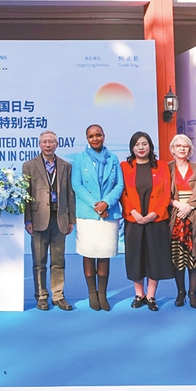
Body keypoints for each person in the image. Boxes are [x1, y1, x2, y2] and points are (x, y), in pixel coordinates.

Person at [71, 124, 123, 312]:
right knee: (89, 252)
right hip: (88, 213)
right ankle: (91, 293)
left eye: (98, 135)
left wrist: (106, 203)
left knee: (104, 253)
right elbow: (77, 185)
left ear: (104, 136)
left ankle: (102, 293)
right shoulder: (79, 159)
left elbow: (119, 185)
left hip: (109, 212)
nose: (95, 139)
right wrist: (97, 206)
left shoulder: (113, 158)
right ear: (87, 139)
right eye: (91, 136)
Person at [120, 132, 173, 311]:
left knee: (154, 257)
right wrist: (133, 212)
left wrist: (154, 213)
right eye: (137, 144)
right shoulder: (124, 167)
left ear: (150, 146)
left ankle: (151, 296)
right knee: (136, 257)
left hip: (156, 220)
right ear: (132, 148)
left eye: (144, 144)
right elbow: (122, 192)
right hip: (133, 220)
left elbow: (167, 193)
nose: (141, 147)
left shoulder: (162, 166)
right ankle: (138, 294)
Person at [23, 130, 74, 311]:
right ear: (39, 144)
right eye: (44, 142)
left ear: (57, 144)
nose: (48, 145)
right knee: (39, 261)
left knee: (58, 261)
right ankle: (41, 296)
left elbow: (70, 193)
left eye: (51, 141)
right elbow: (26, 195)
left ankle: (58, 295)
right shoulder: (29, 166)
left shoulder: (66, 166)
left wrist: (71, 219)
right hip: (38, 220)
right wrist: (27, 220)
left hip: (60, 219)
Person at [167, 133, 196, 309]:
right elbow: (163, 194)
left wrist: (190, 206)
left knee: (195, 258)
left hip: (195, 218)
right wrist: (177, 204)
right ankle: (180, 293)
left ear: (190, 149)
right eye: (178, 146)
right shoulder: (166, 168)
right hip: (175, 218)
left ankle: (193, 294)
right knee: (178, 257)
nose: (182, 149)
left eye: (185, 146)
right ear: (172, 149)